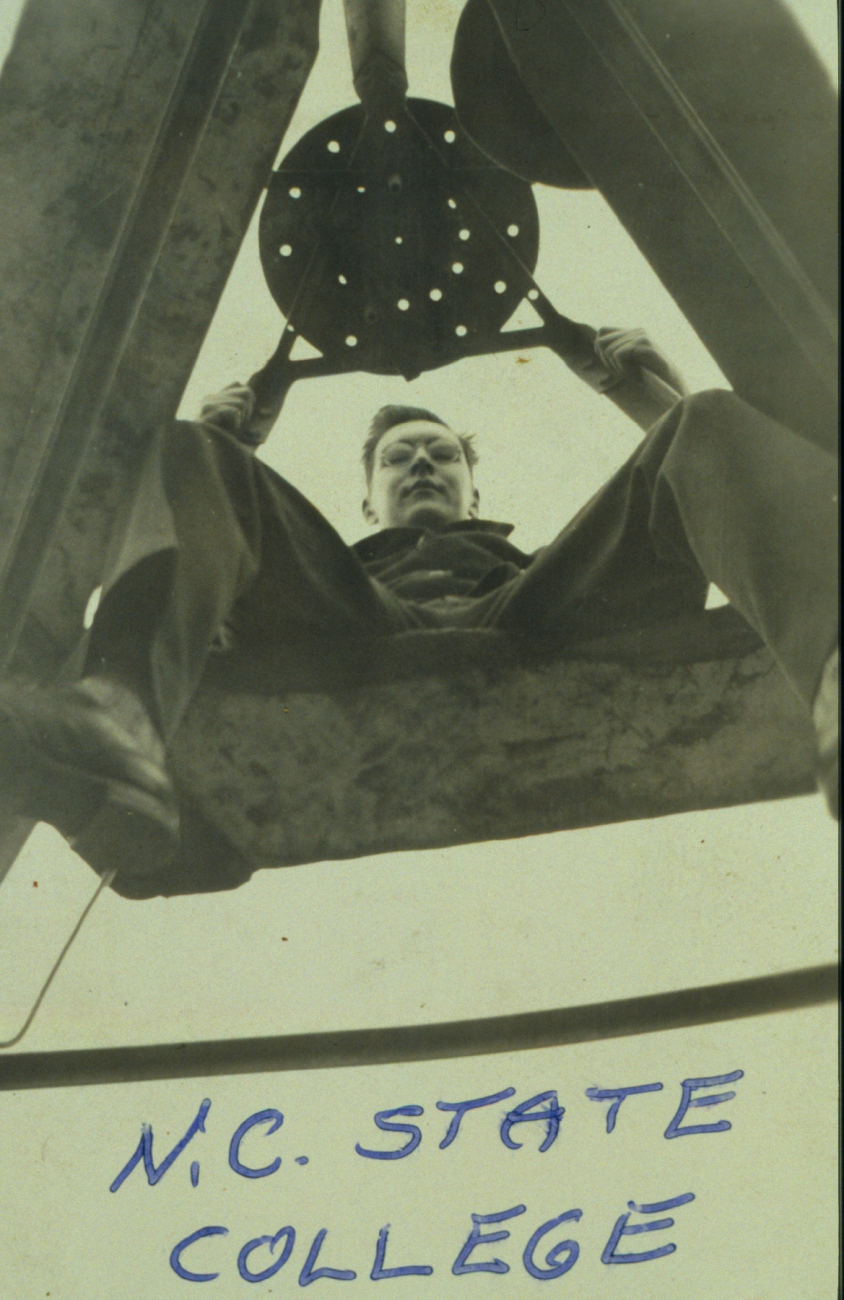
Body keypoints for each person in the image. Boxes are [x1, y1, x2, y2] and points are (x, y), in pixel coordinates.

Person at [0, 330, 838, 884]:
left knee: (709, 420)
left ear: (475, 486)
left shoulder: (535, 558)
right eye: (400, 459)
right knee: (187, 446)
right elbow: (211, 557)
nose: (424, 466)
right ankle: (121, 728)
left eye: (441, 455)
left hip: (532, 608)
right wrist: (226, 448)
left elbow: (702, 504)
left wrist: (648, 396)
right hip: (361, 625)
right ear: (368, 503)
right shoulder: (333, 566)